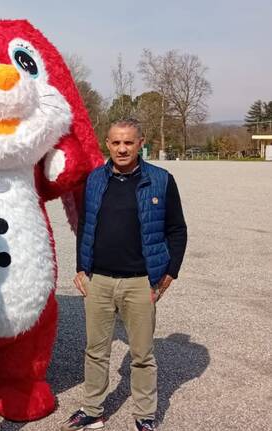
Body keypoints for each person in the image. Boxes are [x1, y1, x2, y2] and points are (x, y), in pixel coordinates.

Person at [62, 118, 187, 431]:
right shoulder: (94, 180)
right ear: (108, 143)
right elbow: (84, 226)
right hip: (100, 281)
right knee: (95, 351)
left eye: (128, 142)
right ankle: (93, 410)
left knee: (142, 354)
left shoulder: (160, 180)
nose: (122, 148)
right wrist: (81, 267)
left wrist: (170, 271)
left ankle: (144, 415)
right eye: (116, 142)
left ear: (140, 142)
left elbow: (177, 229)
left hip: (140, 282)